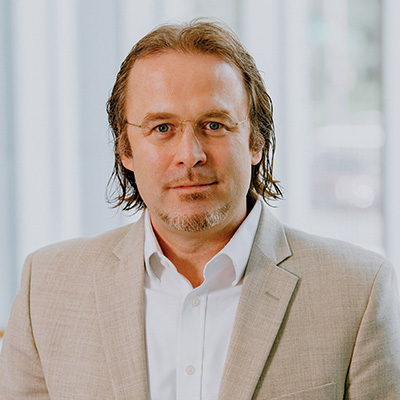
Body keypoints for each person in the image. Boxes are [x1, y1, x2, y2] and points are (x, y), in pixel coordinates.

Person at [0, 19, 399, 400]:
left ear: (256, 140)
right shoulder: (47, 288)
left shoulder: (358, 290)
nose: (189, 156)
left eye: (213, 125)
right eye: (162, 127)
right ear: (125, 149)